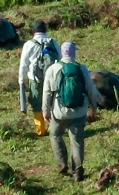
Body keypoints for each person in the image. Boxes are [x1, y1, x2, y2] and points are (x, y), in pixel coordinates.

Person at [41, 42, 102, 182]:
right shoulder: (82, 68)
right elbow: (91, 89)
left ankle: (62, 163)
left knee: (55, 134)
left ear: (62, 53)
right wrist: (94, 107)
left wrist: (46, 111)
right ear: (74, 53)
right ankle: (78, 170)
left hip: (59, 112)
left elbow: (47, 93)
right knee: (77, 140)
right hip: (79, 112)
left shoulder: (53, 69)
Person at [17, 21, 60, 137]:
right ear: (46, 30)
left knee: (36, 103)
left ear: (33, 31)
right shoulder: (54, 43)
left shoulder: (28, 45)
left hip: (35, 79)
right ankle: (53, 128)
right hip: (52, 78)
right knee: (52, 102)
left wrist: (21, 80)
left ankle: (41, 129)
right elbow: (60, 60)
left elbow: (24, 64)